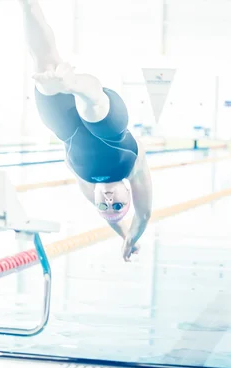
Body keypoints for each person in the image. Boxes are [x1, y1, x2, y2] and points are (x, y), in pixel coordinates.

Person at [18, 0, 153, 261]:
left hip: (68, 127)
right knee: (95, 110)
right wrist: (129, 238)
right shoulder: (134, 169)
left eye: (105, 205)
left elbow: (109, 215)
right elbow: (143, 216)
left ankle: (27, 5)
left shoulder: (88, 187)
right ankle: (73, 83)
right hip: (110, 123)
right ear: (129, 194)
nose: (109, 199)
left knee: (44, 65)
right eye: (119, 204)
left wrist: (115, 222)